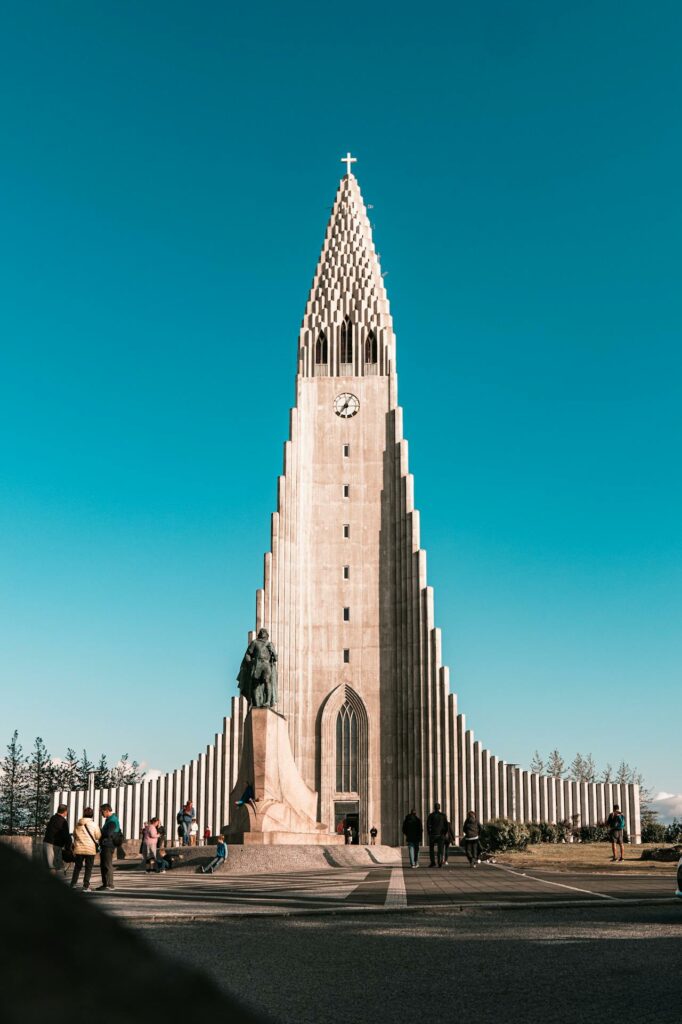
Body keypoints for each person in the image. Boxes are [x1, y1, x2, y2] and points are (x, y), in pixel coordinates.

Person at [70, 806, 101, 892]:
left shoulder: (78, 824)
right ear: (92, 815)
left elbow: (74, 835)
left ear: (83, 814)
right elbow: (98, 836)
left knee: (77, 867)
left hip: (79, 849)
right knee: (88, 868)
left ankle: (73, 884)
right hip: (90, 850)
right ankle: (86, 886)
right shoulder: (94, 824)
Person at [96, 803, 122, 891]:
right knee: (104, 864)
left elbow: (108, 833)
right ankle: (105, 884)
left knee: (107, 864)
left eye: (101, 812)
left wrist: (100, 830)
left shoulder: (112, 820)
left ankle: (109, 885)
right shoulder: (110, 819)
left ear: (107, 811)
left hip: (108, 845)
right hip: (106, 844)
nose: (101, 814)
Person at [43, 803, 70, 875]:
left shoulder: (53, 818)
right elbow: (66, 835)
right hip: (55, 845)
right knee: (53, 866)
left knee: (49, 865)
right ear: (65, 812)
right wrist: (68, 847)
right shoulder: (63, 821)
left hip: (46, 842)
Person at [426, 802, 448, 868]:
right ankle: (440, 862)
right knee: (440, 849)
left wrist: (429, 833)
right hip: (441, 835)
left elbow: (428, 825)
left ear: (434, 808)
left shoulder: (431, 815)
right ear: (439, 808)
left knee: (431, 849)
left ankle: (433, 862)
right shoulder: (443, 816)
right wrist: (444, 833)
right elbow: (446, 825)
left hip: (433, 835)